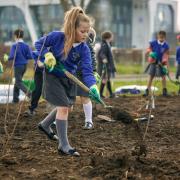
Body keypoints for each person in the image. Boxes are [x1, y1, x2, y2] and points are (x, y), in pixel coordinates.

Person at [35, 7, 100, 157]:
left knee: (68, 107)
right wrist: (48, 55)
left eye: (87, 32)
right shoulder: (57, 37)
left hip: (68, 78)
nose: (85, 35)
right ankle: (63, 145)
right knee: (64, 108)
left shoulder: (84, 49)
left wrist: (93, 87)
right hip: (53, 76)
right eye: (82, 31)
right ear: (73, 28)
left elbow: (87, 70)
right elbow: (39, 44)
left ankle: (45, 124)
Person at [76, 27, 100, 129]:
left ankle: (89, 121)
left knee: (85, 97)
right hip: (71, 72)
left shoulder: (87, 46)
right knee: (66, 99)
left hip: (83, 74)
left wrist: (93, 72)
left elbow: (92, 60)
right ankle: (56, 119)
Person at [4, 29, 32, 103]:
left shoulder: (14, 46)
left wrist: (7, 57)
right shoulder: (26, 46)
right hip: (24, 66)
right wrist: (23, 57)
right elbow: (30, 56)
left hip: (18, 66)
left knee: (18, 82)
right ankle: (15, 99)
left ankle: (30, 94)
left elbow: (12, 56)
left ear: (15, 36)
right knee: (17, 81)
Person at [144, 30, 169, 96]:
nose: (161, 39)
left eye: (162, 38)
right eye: (160, 37)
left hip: (161, 63)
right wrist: (151, 52)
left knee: (163, 76)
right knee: (151, 76)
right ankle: (147, 90)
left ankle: (164, 90)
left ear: (164, 37)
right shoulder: (153, 43)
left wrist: (164, 62)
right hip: (153, 62)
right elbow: (148, 49)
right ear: (158, 36)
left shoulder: (166, 45)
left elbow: (166, 54)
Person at [97, 31, 116, 98]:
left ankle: (108, 94)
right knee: (105, 79)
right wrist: (104, 58)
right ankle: (103, 94)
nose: (112, 37)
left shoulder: (108, 44)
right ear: (108, 37)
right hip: (104, 66)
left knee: (106, 79)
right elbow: (102, 53)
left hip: (107, 65)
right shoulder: (104, 45)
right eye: (112, 36)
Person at [27, 51, 44, 115]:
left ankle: (54, 110)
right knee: (38, 90)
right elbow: (33, 53)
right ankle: (32, 108)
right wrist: (37, 61)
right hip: (39, 72)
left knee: (52, 90)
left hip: (50, 72)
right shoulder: (39, 49)